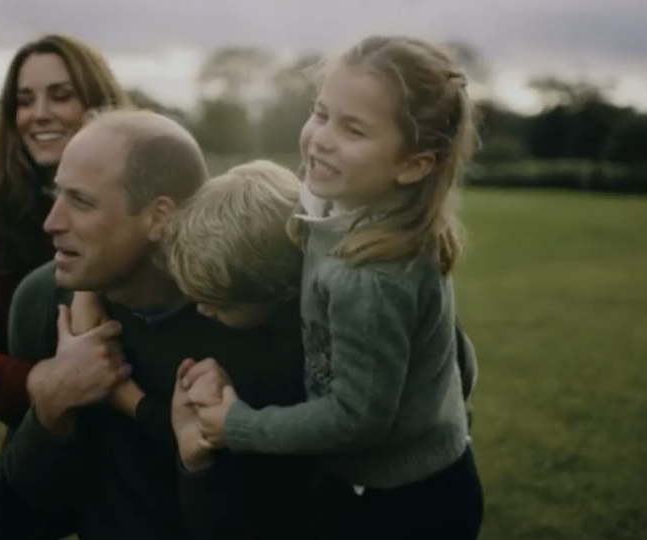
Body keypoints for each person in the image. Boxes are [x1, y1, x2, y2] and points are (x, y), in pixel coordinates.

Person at [181, 35, 485, 540]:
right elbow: (454, 353)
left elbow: (356, 420)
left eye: (353, 129)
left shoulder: (370, 277)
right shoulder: (351, 209)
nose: (320, 138)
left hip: (407, 506)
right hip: (418, 472)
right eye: (321, 113)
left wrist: (239, 426)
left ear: (413, 164)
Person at [0, 108, 318, 540]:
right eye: (58, 194)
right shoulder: (43, 302)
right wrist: (55, 401)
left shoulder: (259, 309)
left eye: (81, 201)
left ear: (159, 217)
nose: (51, 222)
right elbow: (33, 504)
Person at [0, 33, 132, 540]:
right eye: (24, 101)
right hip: (48, 427)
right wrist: (49, 382)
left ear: (97, 102)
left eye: (61, 94)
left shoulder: (150, 192)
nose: (39, 114)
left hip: (140, 430)